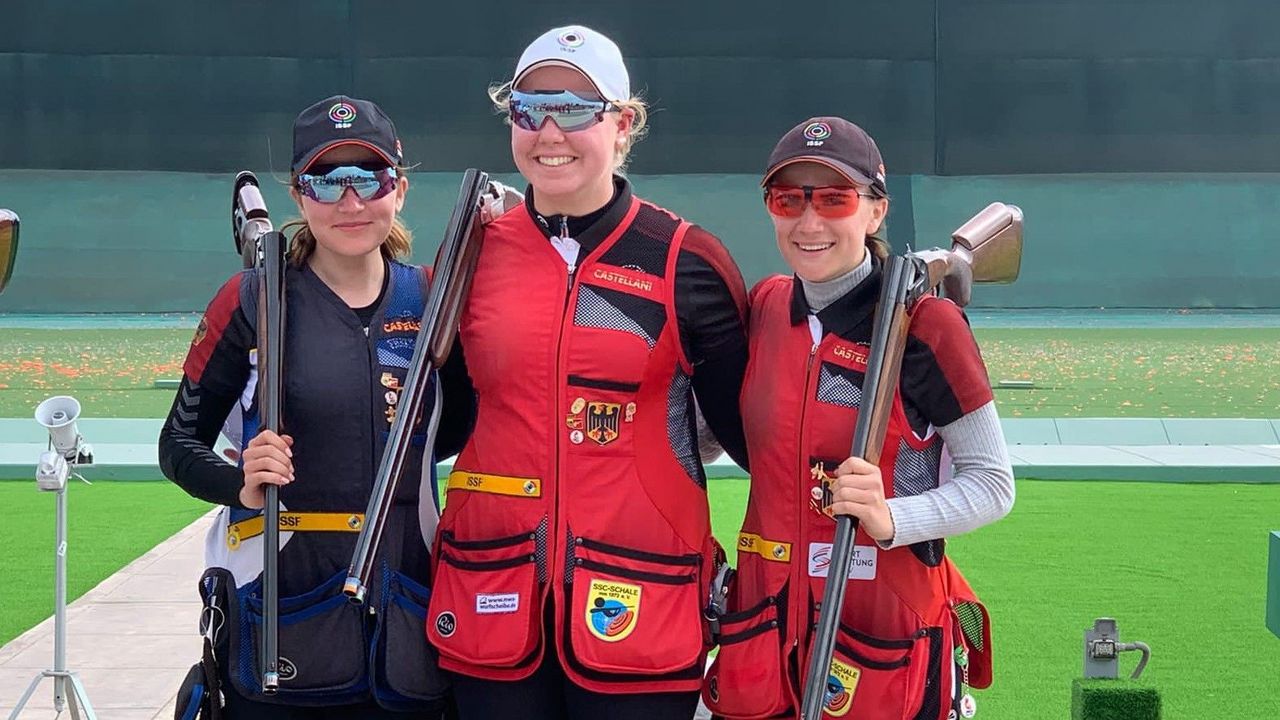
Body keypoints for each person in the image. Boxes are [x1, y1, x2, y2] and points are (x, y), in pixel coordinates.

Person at [425, 24, 750, 720]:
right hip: (492, 598)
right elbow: (441, 428)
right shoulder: (467, 257)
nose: (548, 131)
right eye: (527, 109)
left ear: (623, 123)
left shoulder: (686, 261)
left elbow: (756, 441)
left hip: (644, 603)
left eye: (574, 109)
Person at [160, 95, 466, 717]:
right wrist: (241, 482)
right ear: (300, 196)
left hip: (411, 616)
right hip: (280, 607)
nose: (350, 201)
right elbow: (178, 444)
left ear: (398, 190)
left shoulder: (437, 301)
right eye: (327, 182)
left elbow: (459, 429)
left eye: (368, 178)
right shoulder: (251, 299)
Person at [701, 117, 1015, 720]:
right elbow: (717, 436)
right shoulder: (764, 306)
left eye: (835, 198)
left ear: (875, 212)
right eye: (788, 199)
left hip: (882, 628)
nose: (809, 222)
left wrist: (891, 514)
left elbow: (993, 484)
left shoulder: (925, 325)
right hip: (763, 626)